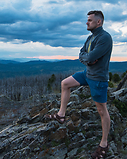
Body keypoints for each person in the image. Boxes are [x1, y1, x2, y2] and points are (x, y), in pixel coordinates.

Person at [45, 10, 113, 159]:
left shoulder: (105, 38)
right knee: (65, 83)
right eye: (87, 20)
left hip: (98, 79)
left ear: (98, 22)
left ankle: (104, 143)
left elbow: (92, 56)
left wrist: (88, 58)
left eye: (89, 20)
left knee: (102, 110)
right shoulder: (90, 38)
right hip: (87, 74)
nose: (87, 22)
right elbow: (83, 55)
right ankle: (61, 115)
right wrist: (86, 59)